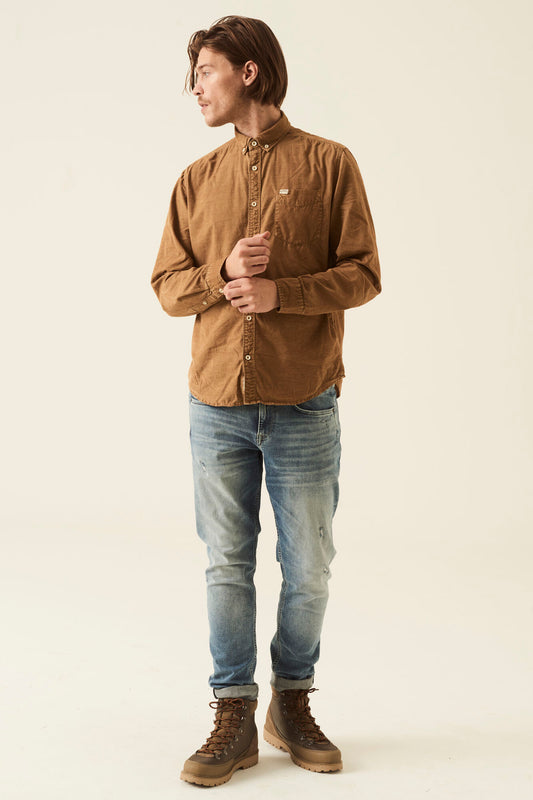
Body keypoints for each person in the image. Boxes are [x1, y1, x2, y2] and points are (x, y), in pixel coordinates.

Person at [151, 15, 381, 787]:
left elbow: (363, 273)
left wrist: (284, 293)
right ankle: (231, 711)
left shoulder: (330, 164)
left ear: (248, 72)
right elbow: (166, 289)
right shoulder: (194, 181)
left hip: (302, 401)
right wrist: (221, 274)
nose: (194, 88)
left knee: (308, 566)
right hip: (214, 404)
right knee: (226, 564)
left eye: (205, 72)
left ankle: (291, 700)